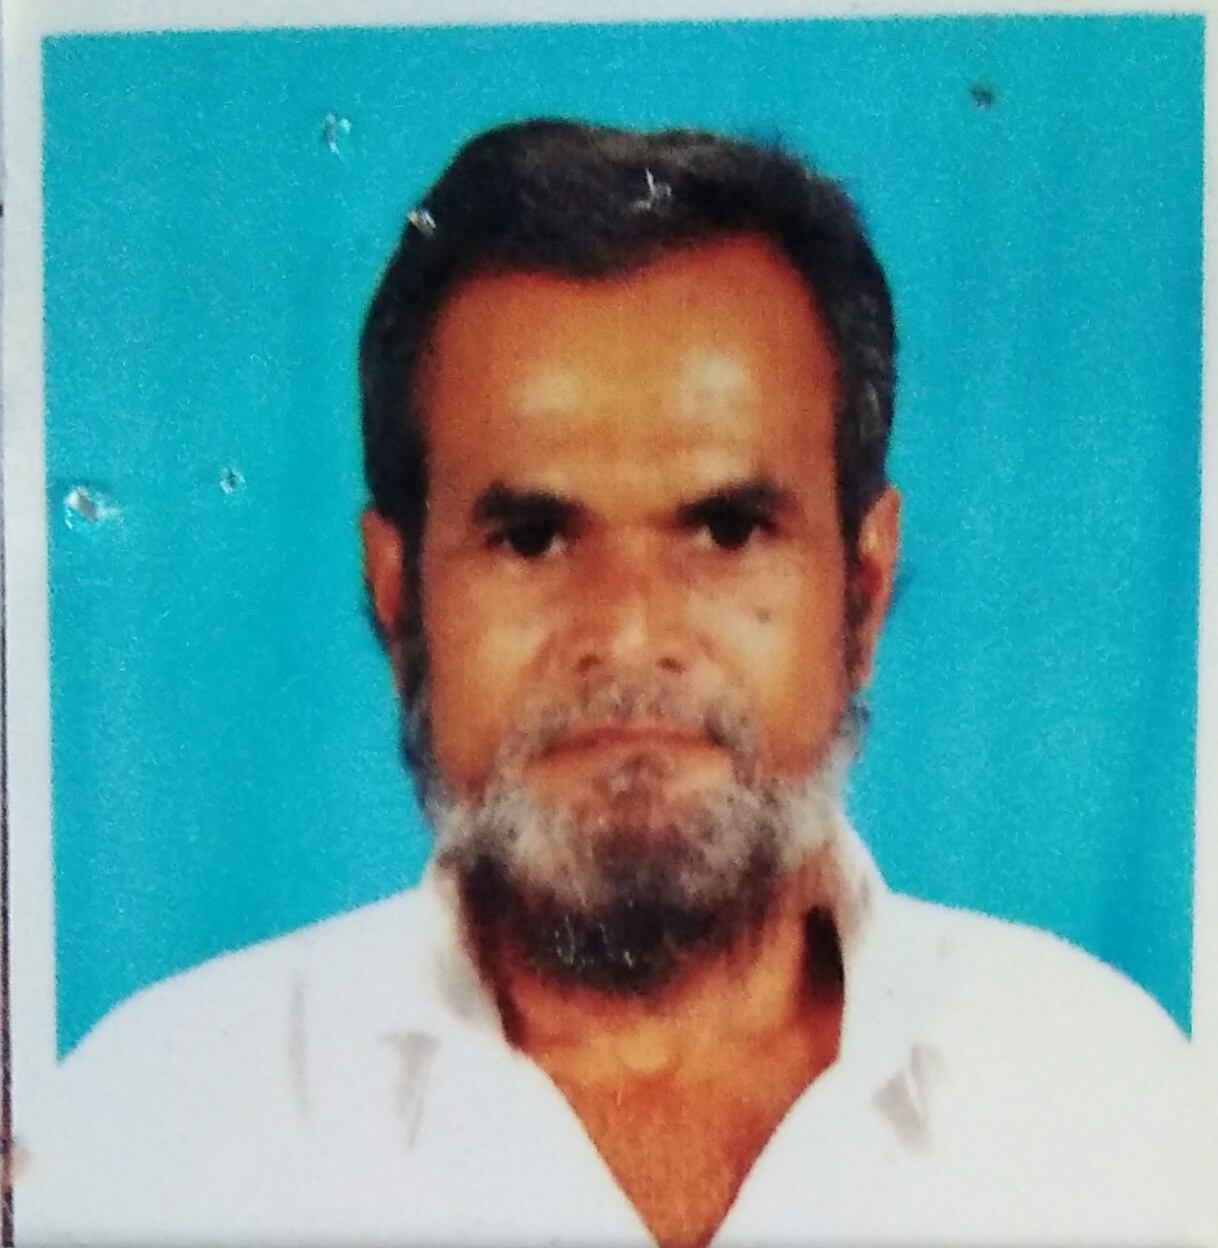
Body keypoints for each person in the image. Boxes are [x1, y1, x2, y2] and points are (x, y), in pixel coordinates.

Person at [23, 120, 1199, 1247]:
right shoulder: (159, 1125)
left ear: (864, 590)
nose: (630, 639)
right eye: (532, 538)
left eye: (729, 529)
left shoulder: (1103, 1100)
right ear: (397, 601)